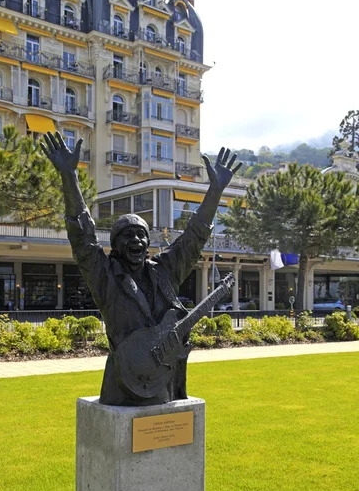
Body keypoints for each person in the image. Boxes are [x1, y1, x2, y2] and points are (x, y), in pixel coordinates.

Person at [41, 132, 241, 406]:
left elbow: (194, 238)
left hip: (163, 380)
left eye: (141, 235)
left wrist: (215, 191)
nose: (135, 240)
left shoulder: (165, 270)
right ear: (116, 245)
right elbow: (82, 236)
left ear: (148, 242)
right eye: (127, 235)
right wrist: (69, 177)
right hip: (124, 381)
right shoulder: (105, 274)